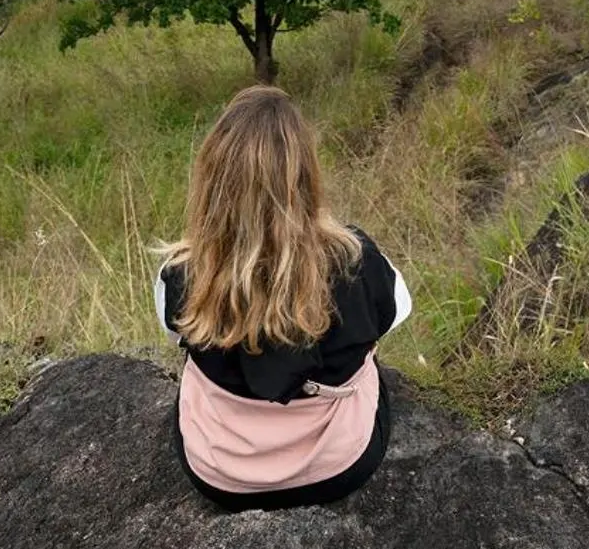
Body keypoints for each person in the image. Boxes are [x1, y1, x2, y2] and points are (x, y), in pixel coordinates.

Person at [154, 84, 412, 510]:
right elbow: (397, 310)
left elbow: (172, 332)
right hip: (336, 467)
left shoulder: (180, 274)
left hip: (219, 474)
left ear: (211, 182)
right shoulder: (355, 261)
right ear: (306, 177)